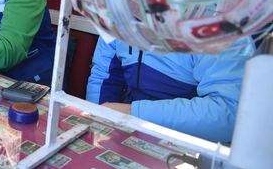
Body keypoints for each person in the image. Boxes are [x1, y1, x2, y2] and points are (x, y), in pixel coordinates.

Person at [86, 36, 255, 143]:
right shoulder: (117, 9)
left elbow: (228, 115)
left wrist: (134, 113)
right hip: (127, 131)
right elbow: (103, 75)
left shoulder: (221, 25)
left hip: (190, 145)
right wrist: (96, 129)